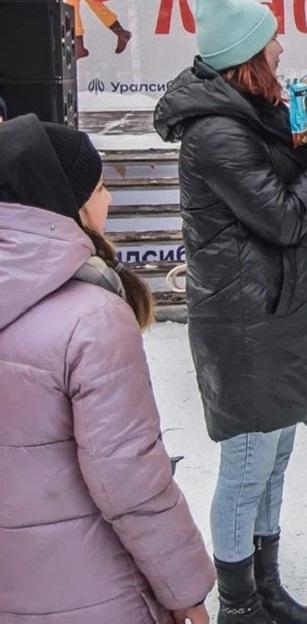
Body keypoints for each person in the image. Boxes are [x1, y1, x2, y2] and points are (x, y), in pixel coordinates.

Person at [153, 0, 307, 624]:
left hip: (275, 311)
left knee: (273, 462)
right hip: (247, 324)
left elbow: (281, 184)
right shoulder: (215, 133)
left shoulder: (251, 111)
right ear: (245, 56)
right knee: (248, 465)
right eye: (272, 40)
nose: (282, 48)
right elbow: (282, 218)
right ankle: (239, 604)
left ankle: (267, 588)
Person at [0, 114, 214, 623]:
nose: (110, 200)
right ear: (66, 205)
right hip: (91, 591)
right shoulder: (92, 319)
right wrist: (186, 590)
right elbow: (130, 478)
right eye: (100, 186)